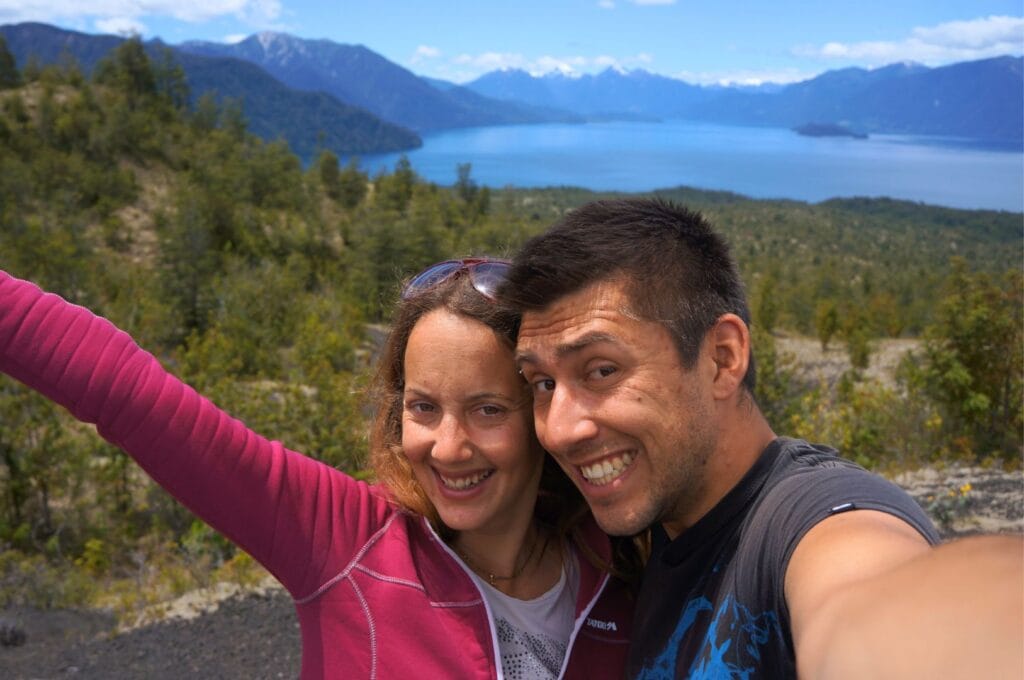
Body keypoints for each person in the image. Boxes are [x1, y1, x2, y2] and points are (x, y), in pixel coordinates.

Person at [0, 259, 636, 679]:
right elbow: (130, 396)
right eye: (423, 407)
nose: (447, 447)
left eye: (488, 409)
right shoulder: (345, 540)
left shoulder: (617, 557)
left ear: (542, 414)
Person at [499, 198, 1024, 679]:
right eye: (542, 383)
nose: (560, 430)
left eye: (601, 370)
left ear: (722, 359)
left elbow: (878, 609)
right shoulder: (647, 532)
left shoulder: (808, 520)